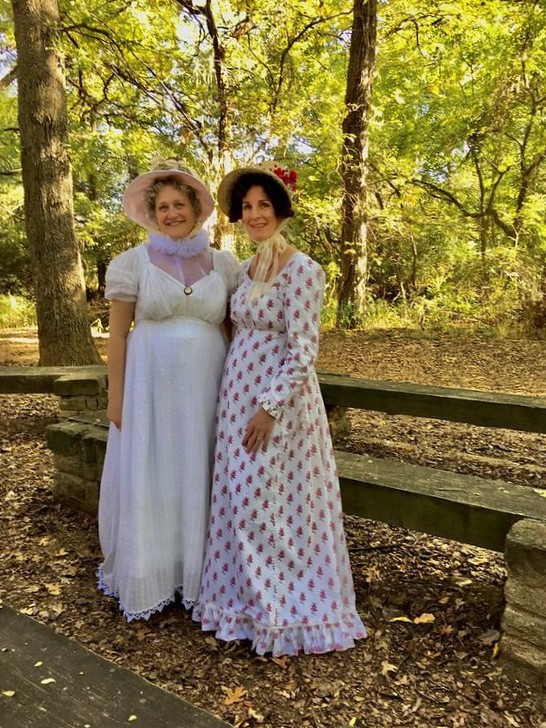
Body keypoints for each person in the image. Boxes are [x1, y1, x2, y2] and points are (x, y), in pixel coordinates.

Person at [193, 163, 366, 655]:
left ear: (280, 209)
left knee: (268, 505)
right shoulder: (246, 271)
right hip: (236, 399)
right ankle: (241, 606)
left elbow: (304, 349)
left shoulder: (304, 270)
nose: (254, 215)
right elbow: (233, 329)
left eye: (263, 205)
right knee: (238, 500)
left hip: (280, 406)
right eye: (246, 207)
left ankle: (286, 611)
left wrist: (268, 407)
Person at [97, 159, 240, 621]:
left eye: (180, 204)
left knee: (200, 466)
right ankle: (153, 572)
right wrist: (115, 397)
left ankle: (203, 572)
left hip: (208, 386)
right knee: (155, 468)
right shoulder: (132, 263)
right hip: (149, 389)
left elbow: (232, 331)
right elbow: (118, 335)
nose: (172, 213)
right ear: (151, 213)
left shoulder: (224, 263)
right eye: (162, 206)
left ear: (197, 208)